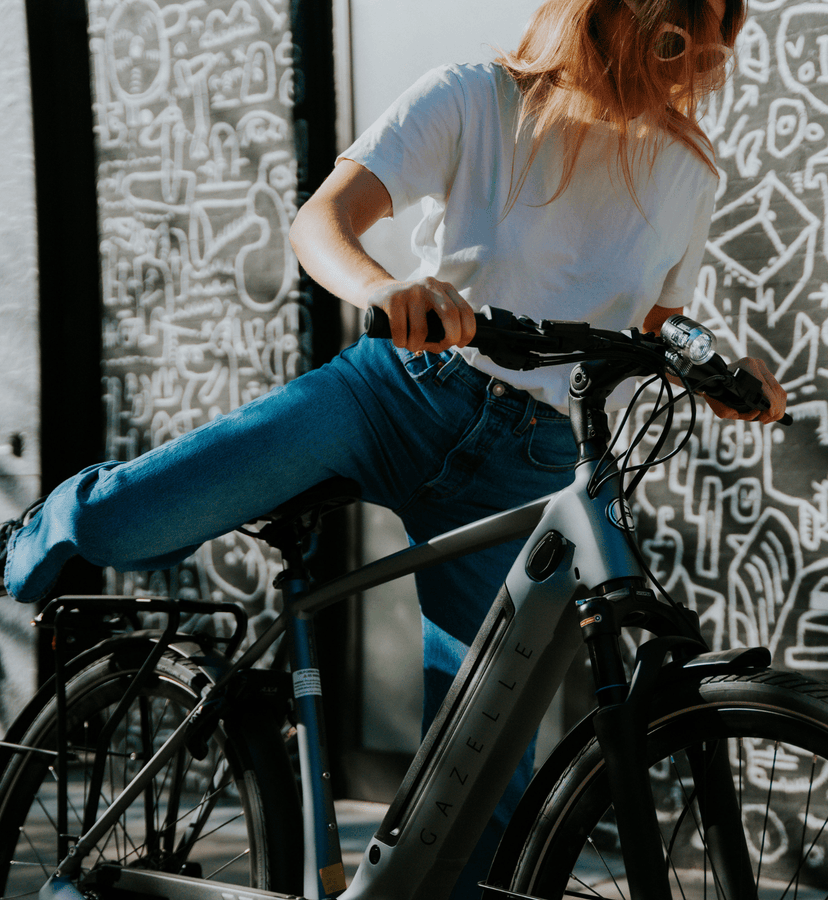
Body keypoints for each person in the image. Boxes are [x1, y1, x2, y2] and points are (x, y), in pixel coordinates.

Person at [1, 0, 785, 894]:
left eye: (718, 31)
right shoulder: (478, 98)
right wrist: (387, 287)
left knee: (482, 774)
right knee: (124, 521)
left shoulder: (688, 170)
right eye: (681, 30)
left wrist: (722, 374)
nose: (699, 58)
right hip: (395, 395)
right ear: (609, 17)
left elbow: (651, 321)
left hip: (526, 460)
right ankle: (39, 532)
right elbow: (322, 222)